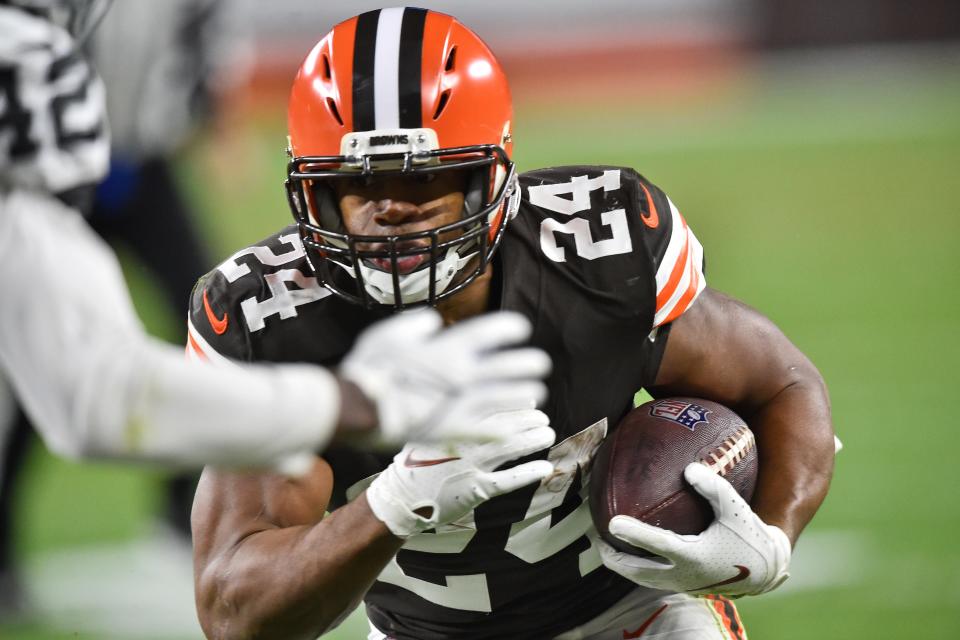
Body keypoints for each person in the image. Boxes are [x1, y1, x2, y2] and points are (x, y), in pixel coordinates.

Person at [189, 7, 836, 640]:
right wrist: (393, 504)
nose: (390, 210)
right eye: (358, 185)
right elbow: (233, 613)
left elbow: (781, 384)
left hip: (636, 616)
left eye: (426, 182)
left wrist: (772, 537)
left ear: (490, 176)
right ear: (313, 194)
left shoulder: (597, 257)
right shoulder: (269, 325)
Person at [0, 2, 548, 499]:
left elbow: (91, 390)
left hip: (143, 165)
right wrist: (359, 404)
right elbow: (93, 391)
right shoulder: (22, 47)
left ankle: (173, 508)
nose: (393, 210)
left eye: (428, 183)